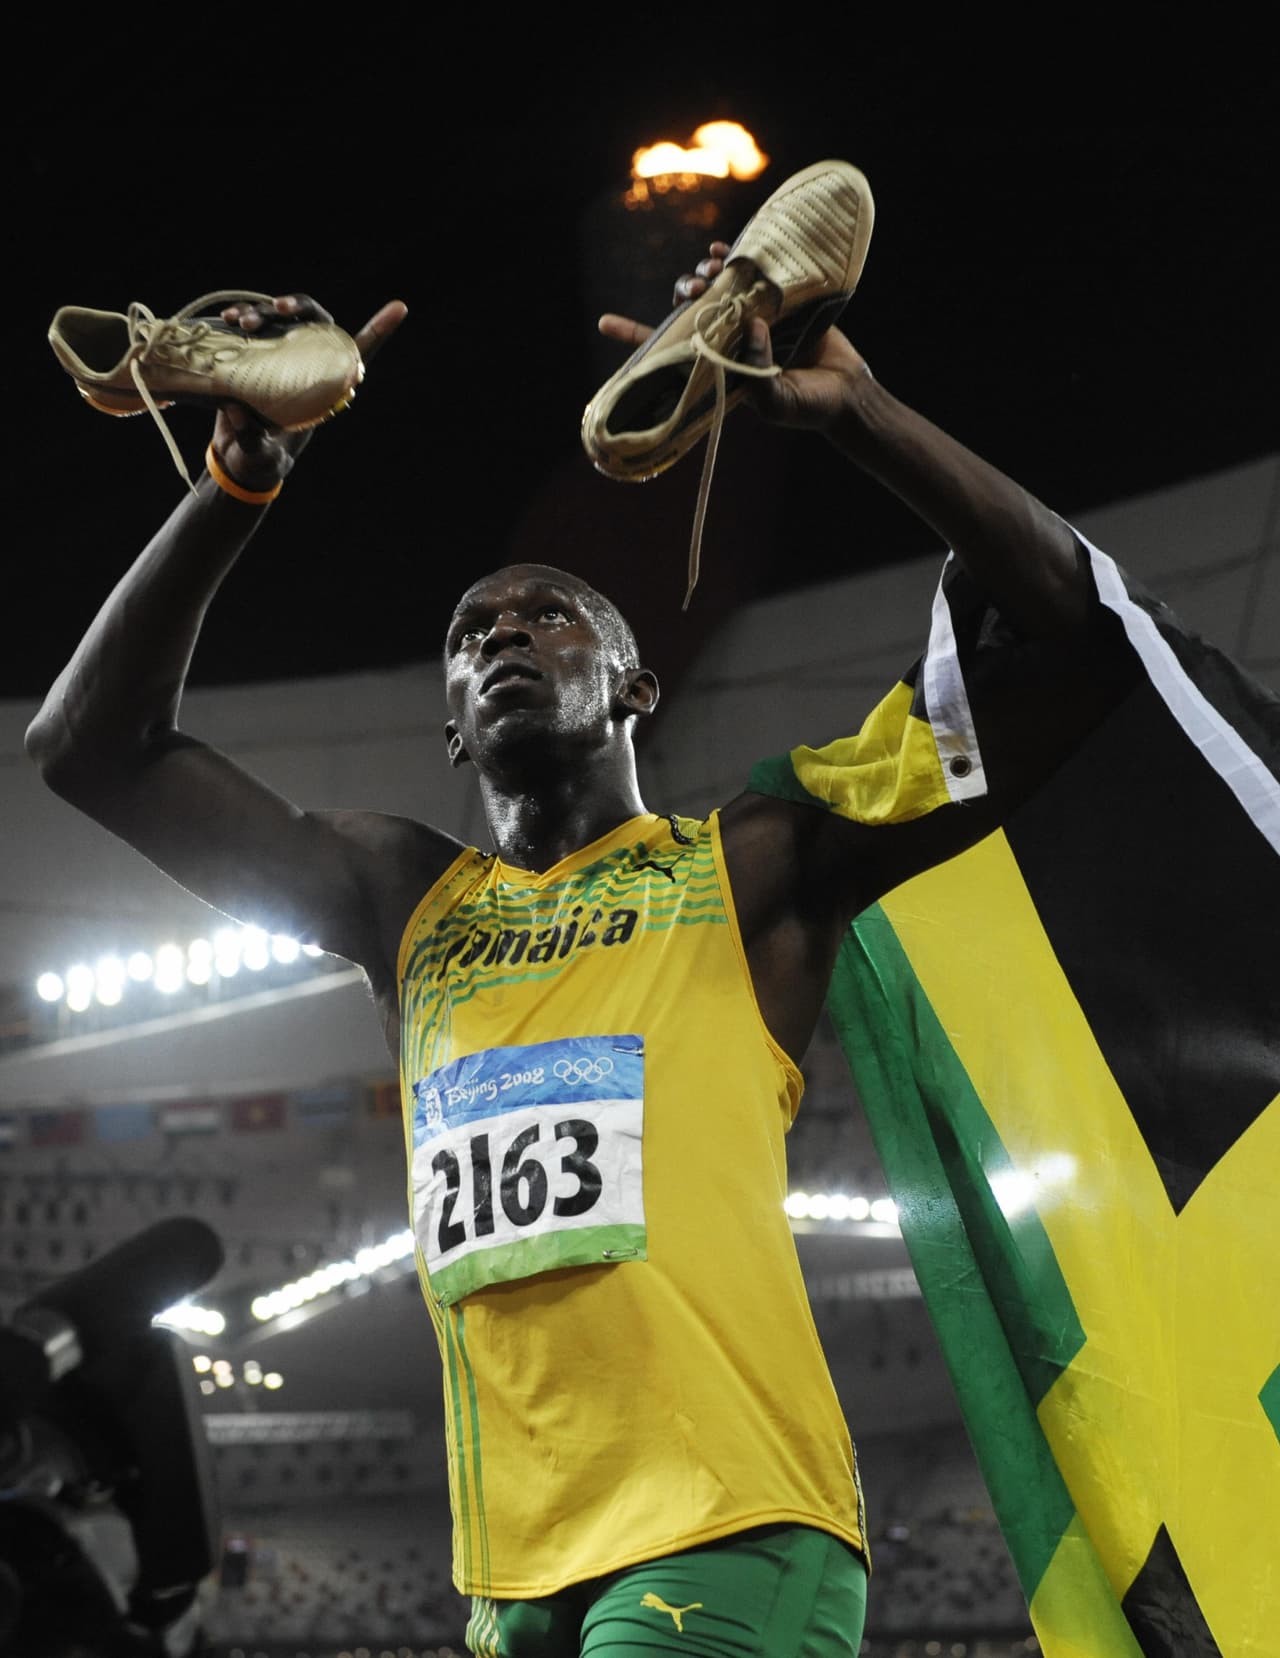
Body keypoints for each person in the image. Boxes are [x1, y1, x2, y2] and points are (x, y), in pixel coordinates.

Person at [27, 217, 1137, 1657]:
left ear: (634, 688)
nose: (505, 634)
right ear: (447, 721)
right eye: (474, 631)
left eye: (553, 617)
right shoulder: (402, 903)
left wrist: (857, 413)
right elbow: (88, 749)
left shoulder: (753, 868)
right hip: (511, 1580)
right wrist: (240, 480)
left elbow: (1076, 648)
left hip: (730, 1524)